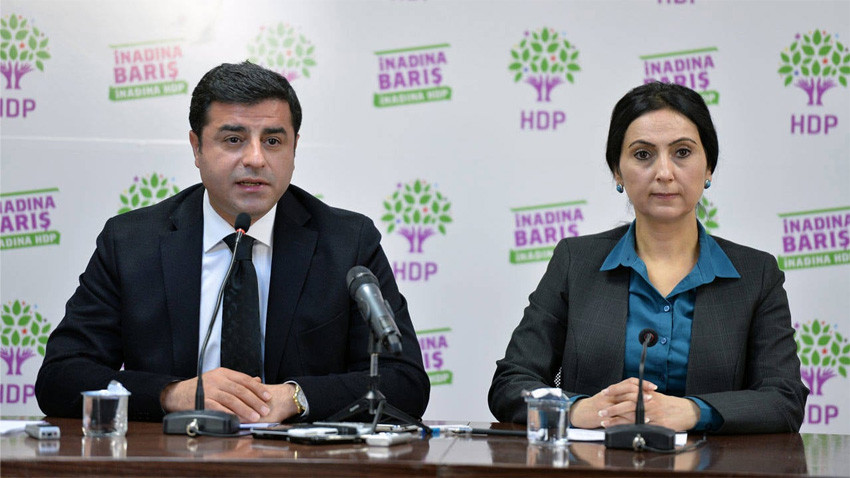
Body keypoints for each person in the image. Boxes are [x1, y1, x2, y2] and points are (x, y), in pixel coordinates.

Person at [36, 61, 430, 424]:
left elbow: (404, 381)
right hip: (173, 459)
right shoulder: (132, 243)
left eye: (272, 141)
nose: (255, 158)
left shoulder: (347, 243)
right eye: (234, 139)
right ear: (197, 147)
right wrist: (172, 394)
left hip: (298, 462)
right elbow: (61, 377)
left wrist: (295, 398)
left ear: (294, 149)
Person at [488, 82, 807, 434]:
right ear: (617, 171)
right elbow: (510, 383)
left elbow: (784, 399)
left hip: (711, 463)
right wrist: (578, 409)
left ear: (709, 168)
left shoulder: (756, 274)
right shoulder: (575, 262)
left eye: (682, 152)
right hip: (595, 462)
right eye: (643, 155)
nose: (664, 173)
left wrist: (693, 412)